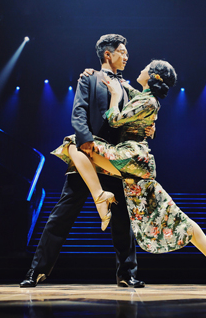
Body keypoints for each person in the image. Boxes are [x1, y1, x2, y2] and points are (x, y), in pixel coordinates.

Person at [52, 60, 206, 288]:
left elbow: (114, 119)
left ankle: (100, 196)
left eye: (146, 68)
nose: (140, 69)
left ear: (154, 77)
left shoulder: (148, 101)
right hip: (136, 165)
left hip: (132, 157)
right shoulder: (144, 97)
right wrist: (93, 73)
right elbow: (123, 86)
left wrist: (115, 96)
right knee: (176, 217)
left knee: (74, 143)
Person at [20, 34, 145, 288]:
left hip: (114, 159)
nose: (126, 56)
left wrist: (143, 130)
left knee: (122, 217)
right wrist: (85, 140)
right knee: (62, 214)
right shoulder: (89, 78)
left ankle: (127, 274)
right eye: (122, 52)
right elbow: (78, 112)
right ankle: (36, 271)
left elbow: (130, 120)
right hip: (87, 155)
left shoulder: (126, 87)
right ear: (108, 54)